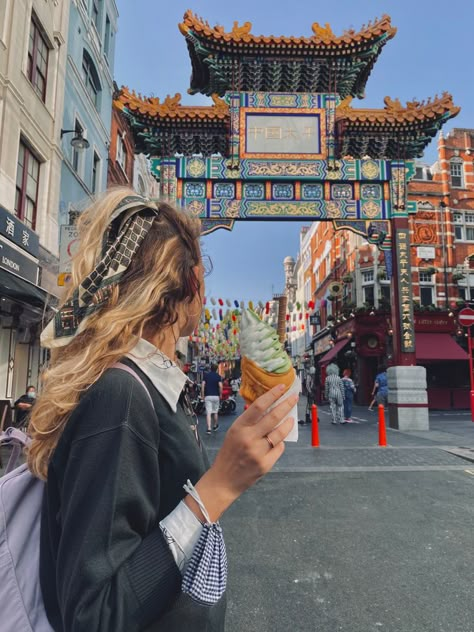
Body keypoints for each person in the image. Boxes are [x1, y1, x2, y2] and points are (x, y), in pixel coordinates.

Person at [27, 190, 297, 632]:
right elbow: (93, 616)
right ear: (193, 283)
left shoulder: (152, 388)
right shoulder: (121, 397)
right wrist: (219, 487)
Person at [201, 363, 223, 433]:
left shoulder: (206, 376)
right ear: (216, 369)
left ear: (210, 368)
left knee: (208, 413)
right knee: (215, 412)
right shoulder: (218, 376)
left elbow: (202, 385)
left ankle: (209, 428)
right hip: (216, 396)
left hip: (208, 396)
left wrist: (203, 395)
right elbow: (220, 386)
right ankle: (215, 425)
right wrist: (220, 394)